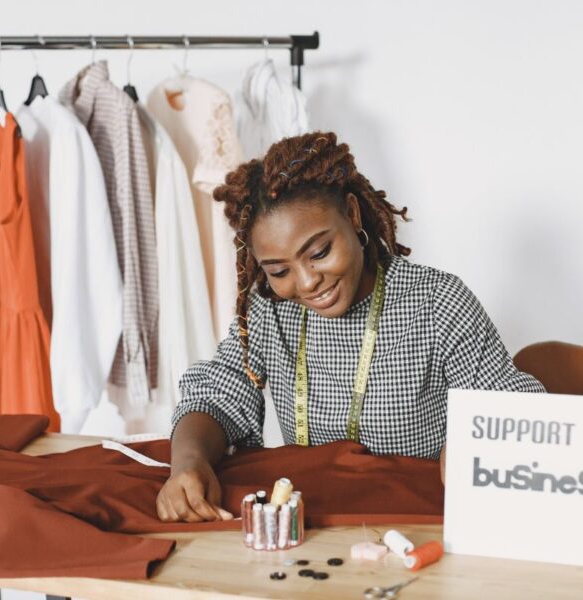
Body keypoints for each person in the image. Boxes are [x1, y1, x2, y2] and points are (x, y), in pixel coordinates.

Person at [156, 131, 545, 523]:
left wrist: (475, 441)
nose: (307, 282)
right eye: (279, 270)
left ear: (353, 215)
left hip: (419, 530)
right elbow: (217, 397)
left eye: (320, 252)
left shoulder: (436, 303)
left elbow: (512, 412)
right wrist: (188, 462)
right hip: (312, 534)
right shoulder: (270, 311)